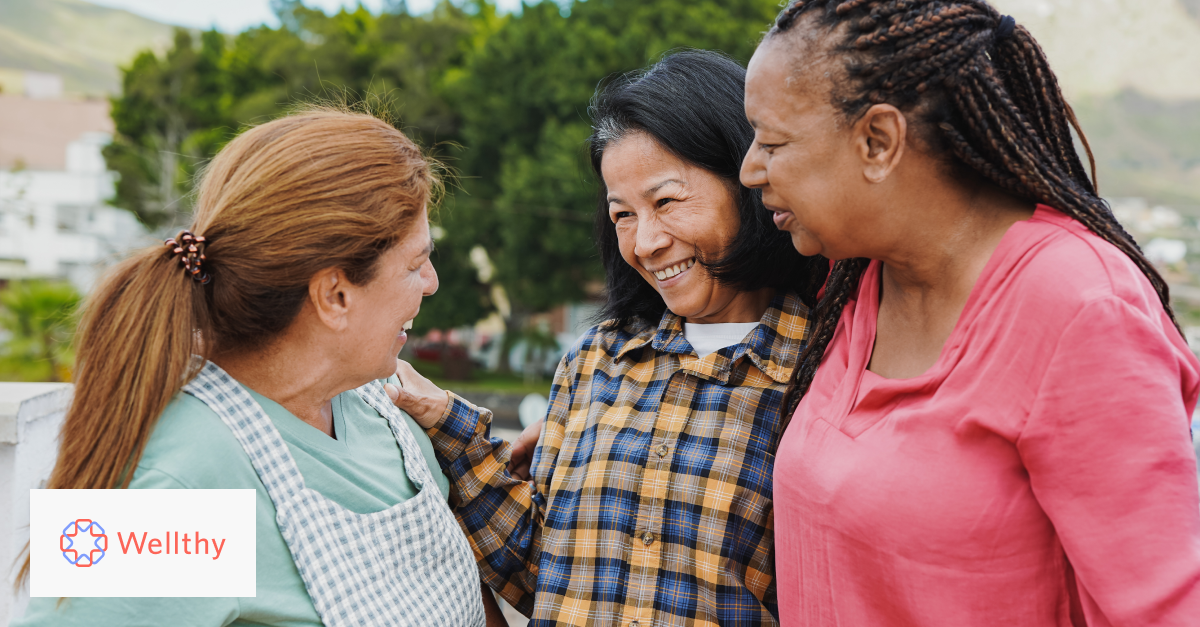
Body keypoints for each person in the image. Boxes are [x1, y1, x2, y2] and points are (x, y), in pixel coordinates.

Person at [739, 1, 1200, 625]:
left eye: (771, 142)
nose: (750, 170)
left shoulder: (1081, 309)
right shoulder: (857, 281)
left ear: (878, 141)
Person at [388, 50, 827, 626]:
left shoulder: (825, 368)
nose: (645, 242)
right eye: (623, 215)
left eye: (666, 201)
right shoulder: (597, 363)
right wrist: (445, 419)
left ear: (746, 182)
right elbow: (543, 573)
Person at [15, 109, 497, 627]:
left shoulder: (382, 413)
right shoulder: (175, 482)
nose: (431, 283)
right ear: (334, 295)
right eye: (414, 264)